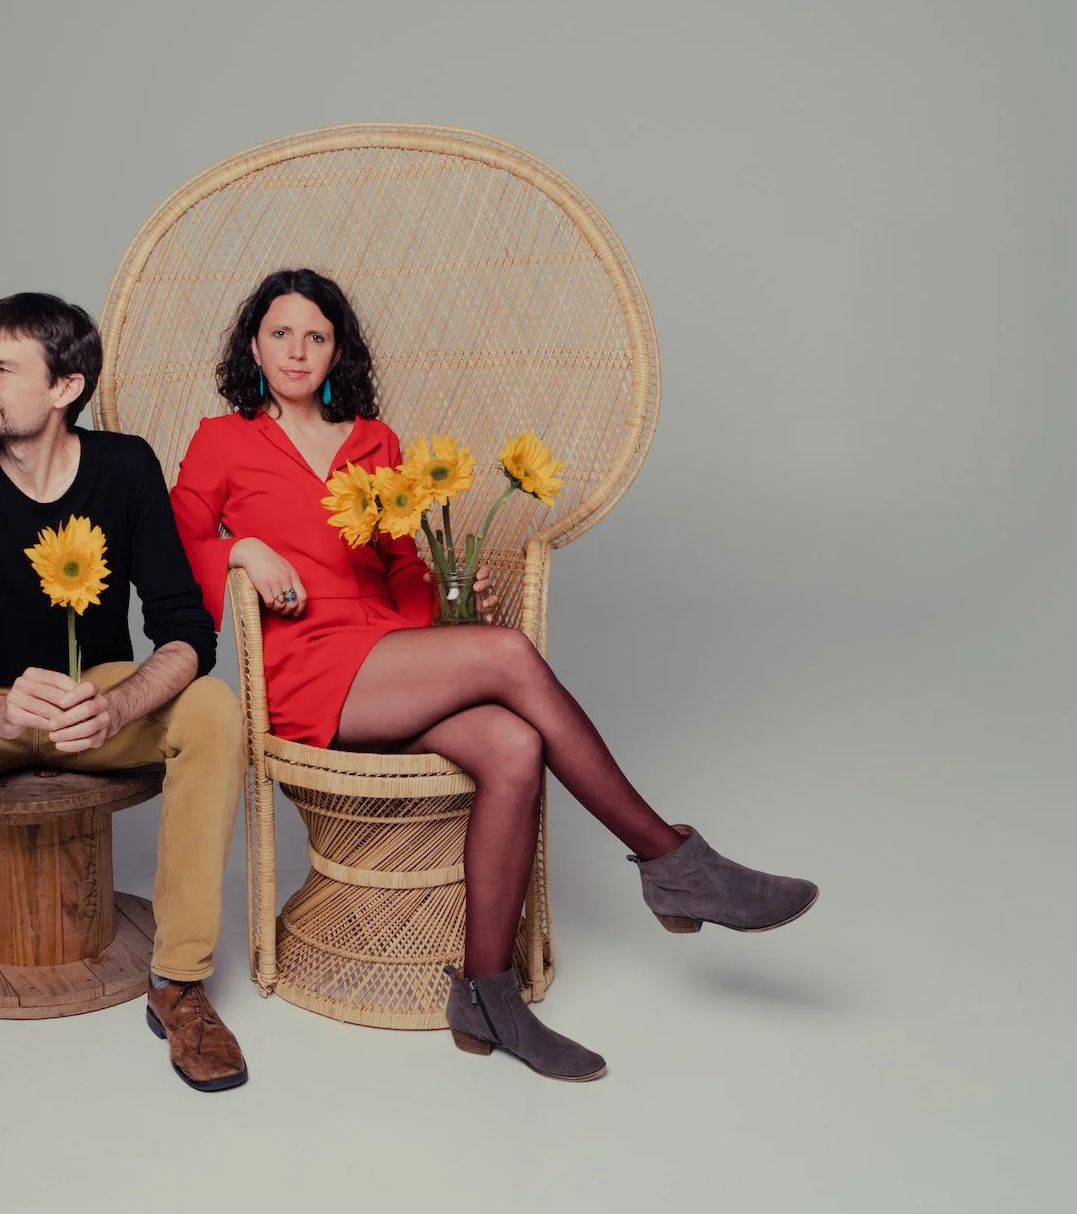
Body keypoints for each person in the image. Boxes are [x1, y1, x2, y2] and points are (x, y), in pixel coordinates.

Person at [169, 268, 817, 1081]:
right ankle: (671, 861)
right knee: (506, 654)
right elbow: (174, 549)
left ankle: (484, 997)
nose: (296, 350)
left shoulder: (375, 442)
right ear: (254, 345)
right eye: (280, 334)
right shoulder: (222, 441)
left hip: (388, 656)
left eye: (315, 336)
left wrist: (450, 605)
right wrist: (243, 550)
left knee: (513, 746)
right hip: (305, 670)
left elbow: (399, 572)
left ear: (337, 352)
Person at [0, 293, 248, 1140]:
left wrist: (118, 703)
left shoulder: (125, 467)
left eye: (2, 368)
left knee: (211, 710)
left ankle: (180, 983)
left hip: (92, 703)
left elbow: (185, 633)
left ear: (66, 387)